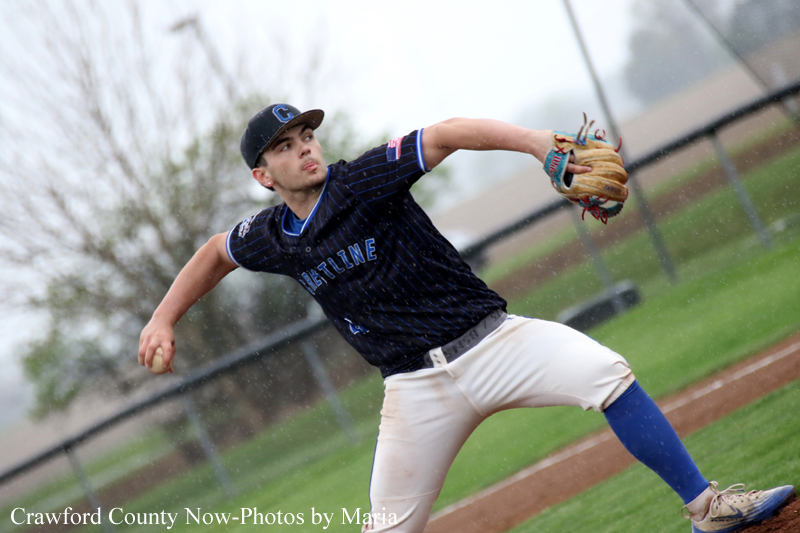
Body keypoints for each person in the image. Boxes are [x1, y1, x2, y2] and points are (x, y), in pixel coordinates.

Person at [138, 103, 795, 532]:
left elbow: (448, 134)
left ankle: (707, 507)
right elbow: (214, 253)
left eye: (307, 134)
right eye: (285, 145)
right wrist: (163, 318)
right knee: (388, 527)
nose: (305, 148)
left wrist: (540, 143)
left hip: (493, 342)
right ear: (263, 174)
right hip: (414, 389)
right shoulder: (273, 234)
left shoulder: (362, 180)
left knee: (607, 372)